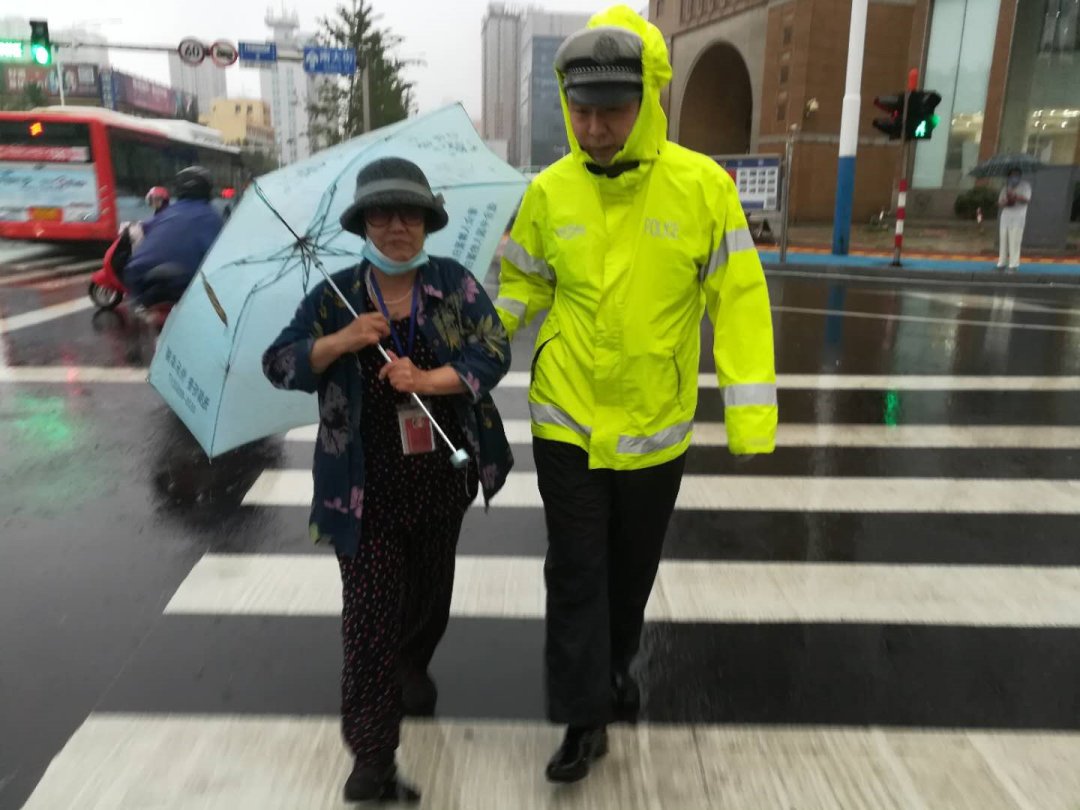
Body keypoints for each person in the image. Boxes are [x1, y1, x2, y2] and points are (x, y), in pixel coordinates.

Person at [495, 5, 777, 784]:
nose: (593, 129)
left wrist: (751, 417)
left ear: (647, 100)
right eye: (580, 111)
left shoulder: (701, 189)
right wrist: (473, 345)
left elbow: (741, 296)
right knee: (577, 570)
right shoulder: (549, 193)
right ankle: (583, 717)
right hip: (567, 420)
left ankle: (617, 664)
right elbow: (521, 282)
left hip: (656, 426)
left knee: (630, 570)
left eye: (611, 111)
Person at [262, 157, 513, 803]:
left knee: (428, 601)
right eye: (382, 213)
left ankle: (413, 660)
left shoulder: (452, 285)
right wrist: (340, 340)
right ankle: (371, 759)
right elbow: (280, 363)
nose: (397, 226)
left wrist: (427, 380)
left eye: (409, 213)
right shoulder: (335, 296)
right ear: (364, 223)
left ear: (427, 221)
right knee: (368, 622)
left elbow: (493, 350)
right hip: (363, 492)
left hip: (441, 480)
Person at [123, 166, 223, 309]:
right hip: (185, 284)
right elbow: (217, 255)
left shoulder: (166, 213)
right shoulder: (212, 217)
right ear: (207, 189)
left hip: (139, 276)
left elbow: (143, 230)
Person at [997, 168, 1032, 272]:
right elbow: (999, 203)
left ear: (1020, 176)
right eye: (1012, 175)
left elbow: (1027, 199)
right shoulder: (1006, 187)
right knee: (1003, 240)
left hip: (1018, 217)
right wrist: (1005, 201)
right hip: (1006, 217)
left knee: (1014, 241)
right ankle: (1001, 263)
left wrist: (1015, 196)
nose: (1014, 178)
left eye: (1016, 175)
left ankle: (1013, 264)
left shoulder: (1025, 186)